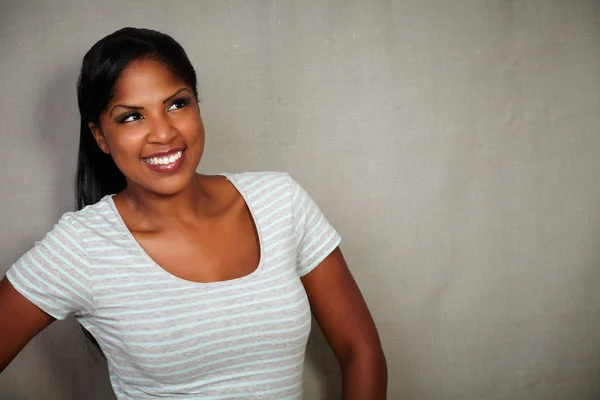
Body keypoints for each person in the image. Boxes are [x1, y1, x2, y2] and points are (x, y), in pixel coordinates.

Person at [0, 27, 387, 399]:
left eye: (176, 104)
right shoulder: (83, 246)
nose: (164, 133)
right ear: (100, 136)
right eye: (132, 116)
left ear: (197, 105)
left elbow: (360, 349)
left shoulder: (280, 201)